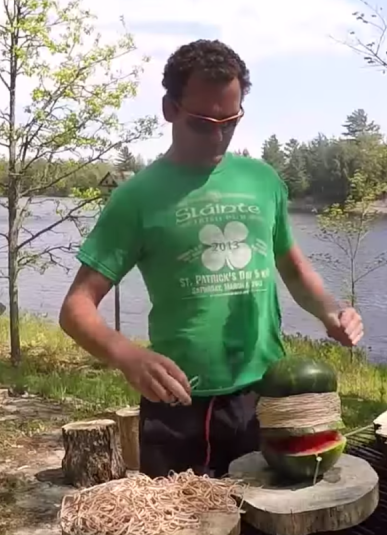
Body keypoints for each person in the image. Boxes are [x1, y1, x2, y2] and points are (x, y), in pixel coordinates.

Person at [58, 39, 363, 477]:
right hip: (179, 404)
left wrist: (331, 311)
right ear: (170, 109)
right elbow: (75, 308)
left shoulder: (262, 180)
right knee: (185, 534)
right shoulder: (136, 198)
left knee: (274, 526)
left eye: (231, 121)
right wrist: (126, 355)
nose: (218, 135)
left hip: (268, 394)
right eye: (203, 123)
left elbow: (292, 268)